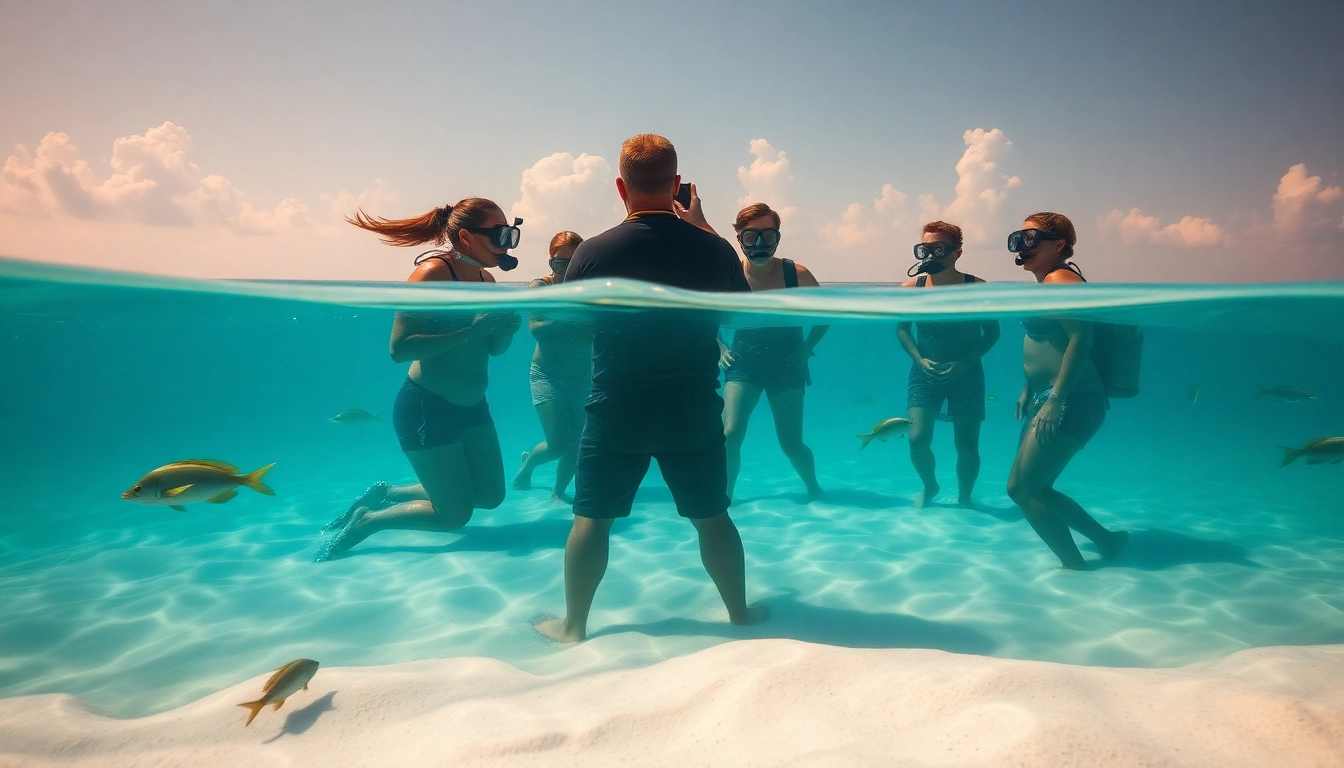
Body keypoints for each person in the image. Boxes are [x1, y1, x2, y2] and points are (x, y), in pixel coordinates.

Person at [533, 134, 767, 643]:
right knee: (713, 516)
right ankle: (739, 614)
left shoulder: (592, 253)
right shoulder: (714, 249)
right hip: (691, 406)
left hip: (616, 405)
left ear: (621, 187)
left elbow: (574, 325)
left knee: (592, 519)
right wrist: (702, 229)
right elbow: (740, 312)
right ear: (678, 185)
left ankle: (574, 628)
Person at [314, 198, 522, 561]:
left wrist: (506, 329)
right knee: (455, 515)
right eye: (501, 233)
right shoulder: (432, 274)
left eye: (512, 233)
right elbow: (400, 347)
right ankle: (369, 520)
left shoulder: (487, 280)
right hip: (428, 407)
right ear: (465, 236)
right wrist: (472, 331)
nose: (507, 243)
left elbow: (494, 349)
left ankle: (388, 492)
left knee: (490, 496)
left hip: (474, 406)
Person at [1005, 212, 1128, 569]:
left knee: (1022, 489)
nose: (1021, 247)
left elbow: (1081, 338)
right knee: (1037, 488)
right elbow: (1047, 342)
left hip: (1071, 398)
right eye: (1018, 239)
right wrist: (1029, 388)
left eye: (1031, 239)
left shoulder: (1061, 280)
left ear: (1059, 244)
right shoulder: (1047, 283)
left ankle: (1076, 569)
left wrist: (1055, 398)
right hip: (1051, 396)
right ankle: (1108, 541)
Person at [721, 203, 827, 501]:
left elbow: (827, 314)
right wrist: (719, 346)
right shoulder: (730, 276)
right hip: (743, 362)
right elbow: (706, 314)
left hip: (787, 364)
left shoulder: (797, 275)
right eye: (751, 236)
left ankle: (813, 488)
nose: (760, 244)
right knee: (730, 434)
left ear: (778, 237)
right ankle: (725, 497)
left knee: (791, 444)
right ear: (739, 237)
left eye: (768, 236)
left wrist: (807, 347)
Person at [896, 221, 1000, 508]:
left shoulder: (977, 288)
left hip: (966, 372)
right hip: (923, 370)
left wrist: (964, 364)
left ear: (957, 252)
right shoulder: (911, 288)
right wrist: (919, 359)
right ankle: (930, 486)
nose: (930, 255)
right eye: (925, 249)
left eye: (938, 248)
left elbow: (992, 333)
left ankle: (965, 496)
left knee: (966, 444)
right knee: (917, 439)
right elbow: (903, 328)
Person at [514, 231, 593, 501]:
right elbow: (538, 328)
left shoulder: (591, 291)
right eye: (559, 264)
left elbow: (592, 331)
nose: (565, 270)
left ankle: (558, 491)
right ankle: (528, 465)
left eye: (573, 264)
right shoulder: (540, 288)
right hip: (547, 376)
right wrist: (578, 318)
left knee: (577, 443)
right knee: (559, 445)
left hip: (582, 376)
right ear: (550, 263)